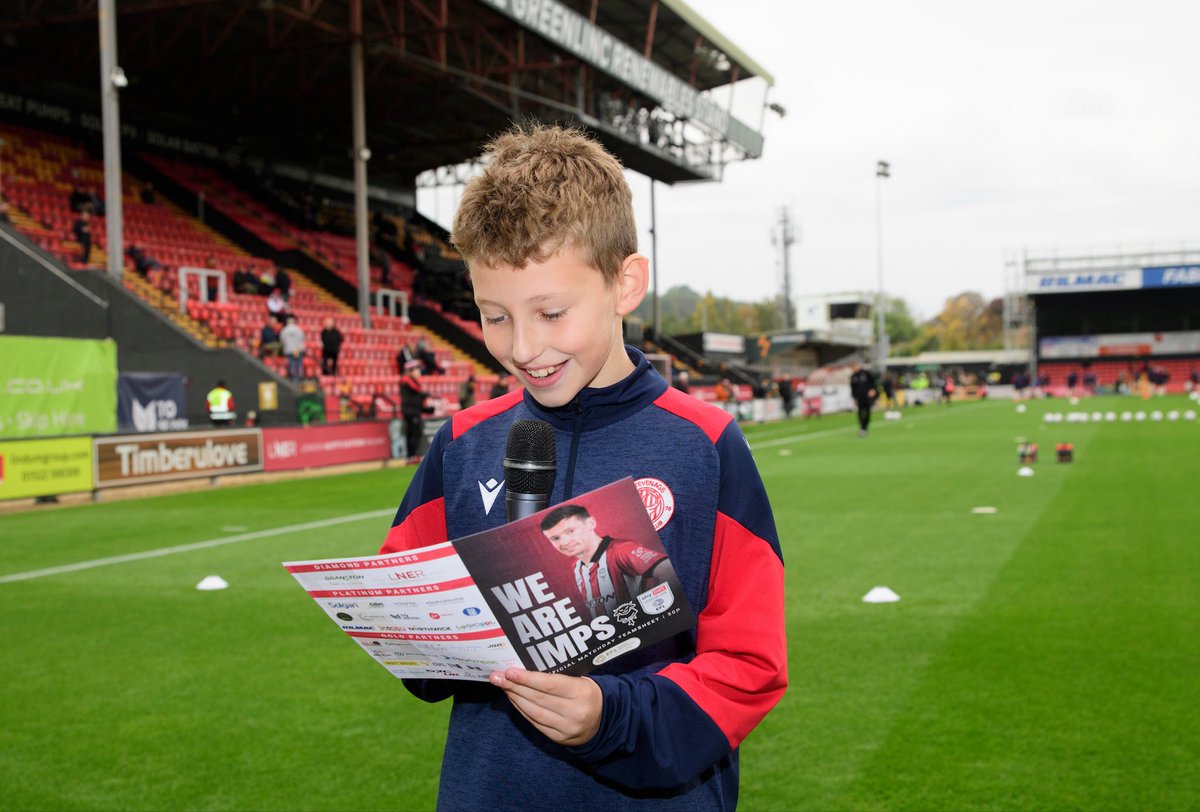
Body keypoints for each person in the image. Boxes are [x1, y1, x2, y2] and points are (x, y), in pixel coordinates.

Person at [377, 123, 785, 810]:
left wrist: (610, 715)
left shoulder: (704, 444)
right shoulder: (464, 443)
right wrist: (417, 633)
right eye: (495, 317)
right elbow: (408, 630)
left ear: (625, 284)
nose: (523, 346)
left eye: (551, 312)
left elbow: (749, 666)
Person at [540, 503, 676, 621]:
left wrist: (648, 615)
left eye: (570, 531)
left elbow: (668, 571)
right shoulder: (576, 566)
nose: (564, 542)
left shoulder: (621, 550)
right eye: (555, 538)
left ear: (591, 524)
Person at [399, 361, 433, 458]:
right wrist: (425, 395)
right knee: (413, 434)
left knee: (413, 434)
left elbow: (417, 398)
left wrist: (425, 409)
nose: (418, 372)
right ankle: (412, 456)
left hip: (413, 411)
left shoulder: (411, 382)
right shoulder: (406, 380)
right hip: (411, 412)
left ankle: (412, 456)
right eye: (416, 369)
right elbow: (416, 397)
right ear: (409, 371)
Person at [849, 360, 877, 436]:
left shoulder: (866, 373)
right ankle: (862, 428)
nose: (854, 368)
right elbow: (852, 388)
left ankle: (865, 427)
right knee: (860, 413)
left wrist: (873, 389)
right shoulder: (853, 376)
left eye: (855, 366)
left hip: (867, 397)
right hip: (859, 398)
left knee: (867, 412)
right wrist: (854, 398)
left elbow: (873, 382)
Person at [279, 315, 306, 382]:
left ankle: (294, 377)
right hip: (297, 350)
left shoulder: (284, 330)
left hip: (290, 350)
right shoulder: (298, 329)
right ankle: (299, 377)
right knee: (298, 363)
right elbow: (303, 338)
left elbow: (282, 340)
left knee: (292, 363)